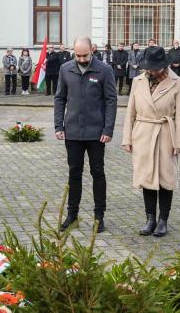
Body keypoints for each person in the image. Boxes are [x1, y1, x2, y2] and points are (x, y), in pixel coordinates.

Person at [122, 46, 180, 237]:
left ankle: (163, 220)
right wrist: (127, 137)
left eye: (155, 68)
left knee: (166, 178)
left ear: (164, 66)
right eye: (148, 68)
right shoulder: (138, 81)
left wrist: (179, 143)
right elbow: (130, 112)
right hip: (143, 133)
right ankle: (150, 218)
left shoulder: (178, 83)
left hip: (166, 133)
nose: (151, 72)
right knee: (146, 177)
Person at [54, 36, 117, 233]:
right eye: (78, 55)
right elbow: (59, 98)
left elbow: (111, 100)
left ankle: (99, 216)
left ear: (92, 50)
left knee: (98, 173)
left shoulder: (104, 70)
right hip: (72, 133)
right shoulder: (66, 69)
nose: (81, 59)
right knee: (74, 174)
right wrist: (59, 126)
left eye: (85, 55)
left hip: (97, 134)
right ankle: (72, 215)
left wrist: (108, 129)